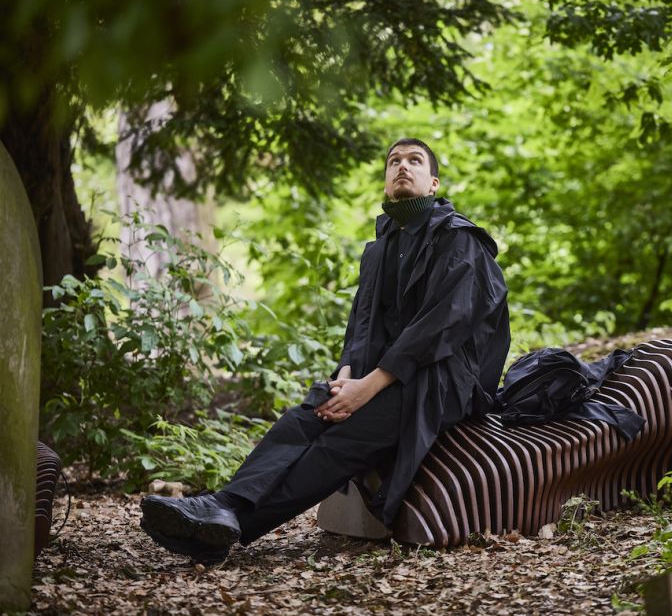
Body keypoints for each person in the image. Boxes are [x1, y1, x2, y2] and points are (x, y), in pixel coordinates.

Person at [139, 138, 511, 562]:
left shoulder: (459, 240)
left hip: (442, 383)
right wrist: (347, 377)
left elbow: (440, 328)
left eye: (414, 161)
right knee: (305, 417)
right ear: (387, 181)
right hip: (378, 376)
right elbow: (363, 326)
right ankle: (223, 510)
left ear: (433, 183)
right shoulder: (381, 249)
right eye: (394, 161)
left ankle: (231, 518)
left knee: (339, 443)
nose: (402, 167)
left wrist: (367, 388)